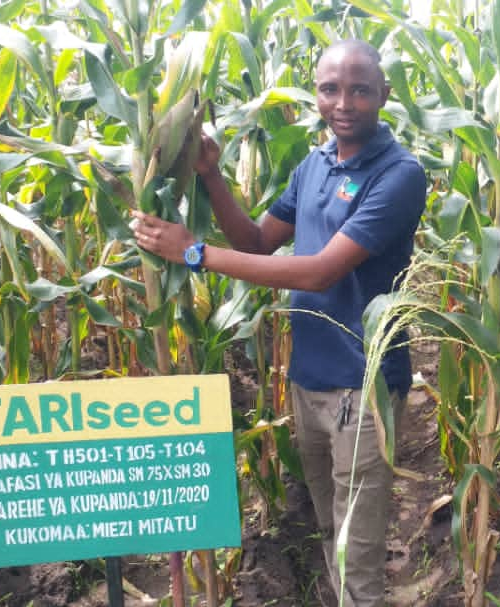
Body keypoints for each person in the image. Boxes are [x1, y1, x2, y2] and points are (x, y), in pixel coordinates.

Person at [133, 39, 427, 606]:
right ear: (316, 93)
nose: (344, 102)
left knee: (356, 555)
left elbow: (318, 273)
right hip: (309, 379)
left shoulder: (399, 175)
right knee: (327, 531)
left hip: (363, 388)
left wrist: (194, 253)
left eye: (360, 90)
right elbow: (256, 242)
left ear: (384, 96)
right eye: (330, 88)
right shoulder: (315, 165)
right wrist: (211, 176)